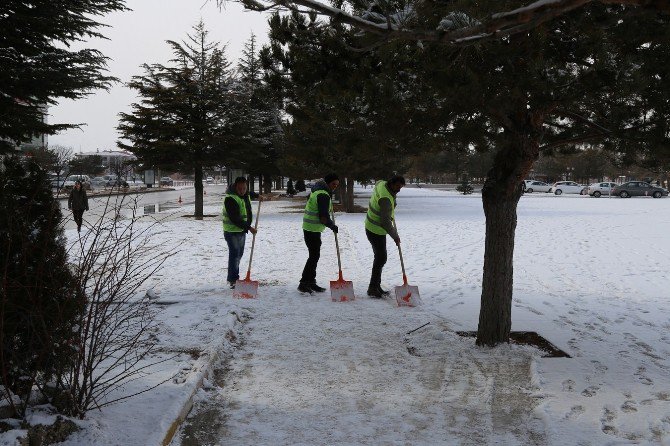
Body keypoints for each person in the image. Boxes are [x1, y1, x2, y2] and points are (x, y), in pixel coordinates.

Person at [365, 175, 405, 298]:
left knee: (380, 258)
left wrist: (394, 200)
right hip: (376, 229)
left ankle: (376, 286)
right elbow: (385, 222)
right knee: (381, 258)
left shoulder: (382, 184)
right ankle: (373, 288)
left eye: (401, 187)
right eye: (397, 186)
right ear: (391, 183)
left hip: (371, 225)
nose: (399, 189)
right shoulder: (386, 199)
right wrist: (395, 236)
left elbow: (377, 182)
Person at [298, 173, 339, 294]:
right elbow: (323, 217)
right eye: (333, 184)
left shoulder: (317, 191)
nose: (335, 187)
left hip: (311, 228)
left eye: (337, 185)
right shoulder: (322, 195)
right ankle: (304, 283)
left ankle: (311, 282)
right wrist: (332, 225)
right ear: (327, 183)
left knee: (314, 256)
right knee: (313, 256)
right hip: (312, 229)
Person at [222, 177, 257, 289]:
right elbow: (235, 218)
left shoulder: (244, 194)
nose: (242, 190)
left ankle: (233, 277)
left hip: (241, 230)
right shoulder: (230, 199)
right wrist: (249, 228)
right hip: (232, 231)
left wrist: (257, 196)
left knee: (239, 254)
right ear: (235, 187)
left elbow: (249, 194)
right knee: (235, 255)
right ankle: (233, 280)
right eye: (240, 188)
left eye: (244, 188)